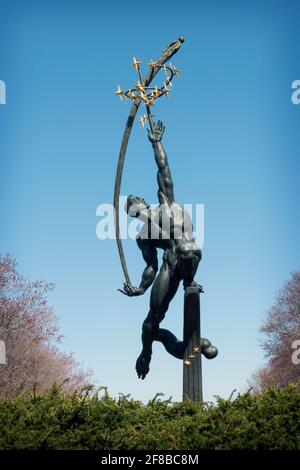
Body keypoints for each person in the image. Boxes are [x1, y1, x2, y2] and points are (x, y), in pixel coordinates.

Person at [120, 120, 202, 379]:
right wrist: (141, 288)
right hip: (169, 265)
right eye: (132, 213)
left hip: (187, 257)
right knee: (149, 323)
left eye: (136, 206)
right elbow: (151, 267)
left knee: (187, 249)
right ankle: (150, 351)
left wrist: (157, 143)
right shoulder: (143, 236)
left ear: (144, 202)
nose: (136, 211)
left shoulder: (166, 205)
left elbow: (163, 168)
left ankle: (191, 282)